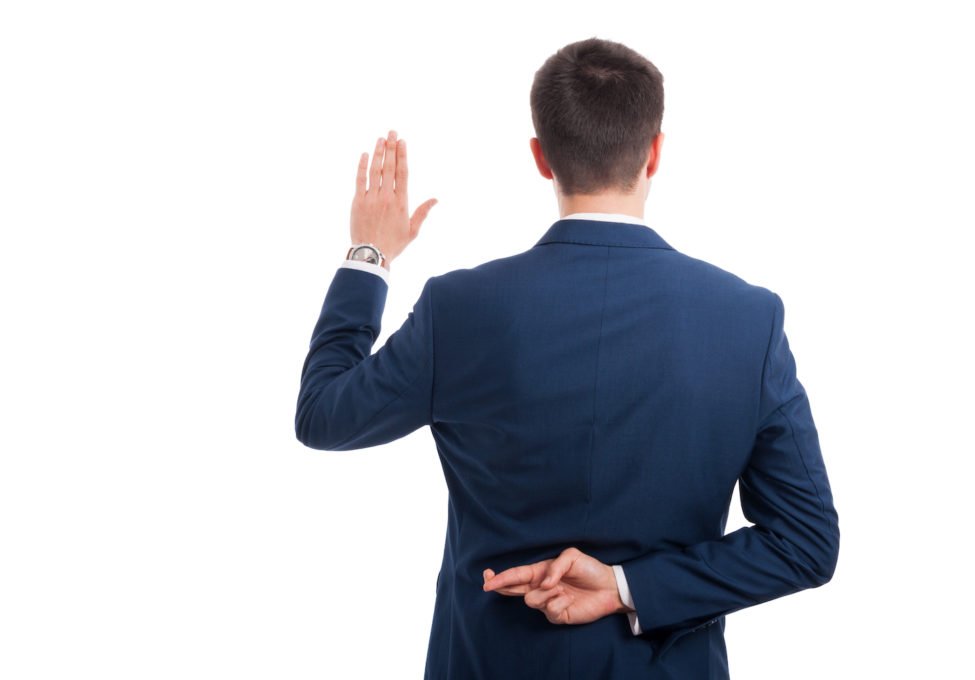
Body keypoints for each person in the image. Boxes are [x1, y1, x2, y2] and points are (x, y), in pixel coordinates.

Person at [295, 36, 839, 680]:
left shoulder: (462, 307)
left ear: (540, 157)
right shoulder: (748, 319)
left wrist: (369, 257)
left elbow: (324, 416)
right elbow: (804, 543)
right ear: (656, 152)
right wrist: (630, 586)